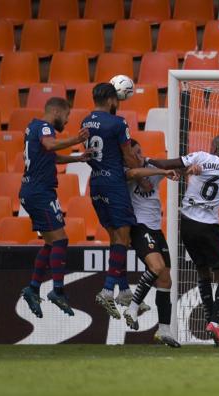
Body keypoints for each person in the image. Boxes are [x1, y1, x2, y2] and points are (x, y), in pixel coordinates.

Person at [150, 135, 219, 347]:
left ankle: (211, 322)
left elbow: (166, 164)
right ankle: (215, 321)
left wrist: (145, 160)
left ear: (213, 147)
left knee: (203, 271)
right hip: (209, 226)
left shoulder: (200, 157)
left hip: (187, 224)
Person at [20, 97, 91, 318]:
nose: (67, 120)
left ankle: (33, 288)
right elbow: (50, 145)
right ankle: (57, 291)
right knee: (60, 240)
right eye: (67, 115)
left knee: (52, 242)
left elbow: (52, 156)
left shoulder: (33, 126)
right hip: (39, 192)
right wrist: (75, 140)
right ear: (57, 112)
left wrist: (77, 158)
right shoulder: (44, 127)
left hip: (36, 191)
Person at [83, 83, 144, 319]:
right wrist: (140, 169)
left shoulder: (85, 122)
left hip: (95, 182)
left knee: (115, 238)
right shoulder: (118, 123)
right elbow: (129, 154)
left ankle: (125, 290)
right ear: (111, 99)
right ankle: (108, 289)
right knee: (124, 236)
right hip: (114, 183)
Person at [120, 139, 182, 347]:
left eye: (140, 152)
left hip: (156, 230)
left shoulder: (151, 167)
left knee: (166, 280)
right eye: (134, 153)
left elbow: (174, 167)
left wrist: (191, 169)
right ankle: (133, 307)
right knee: (157, 267)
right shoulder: (125, 172)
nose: (139, 156)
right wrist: (161, 173)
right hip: (139, 227)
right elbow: (136, 174)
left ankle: (163, 330)